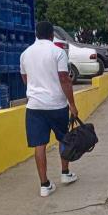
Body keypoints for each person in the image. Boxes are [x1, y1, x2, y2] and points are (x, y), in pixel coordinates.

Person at [20, 21, 79, 197]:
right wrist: (73, 104)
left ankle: (44, 184)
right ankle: (65, 173)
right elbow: (64, 79)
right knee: (63, 139)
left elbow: (25, 79)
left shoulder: (25, 54)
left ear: (36, 34)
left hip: (34, 106)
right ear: (52, 35)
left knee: (39, 145)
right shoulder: (58, 52)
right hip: (56, 104)